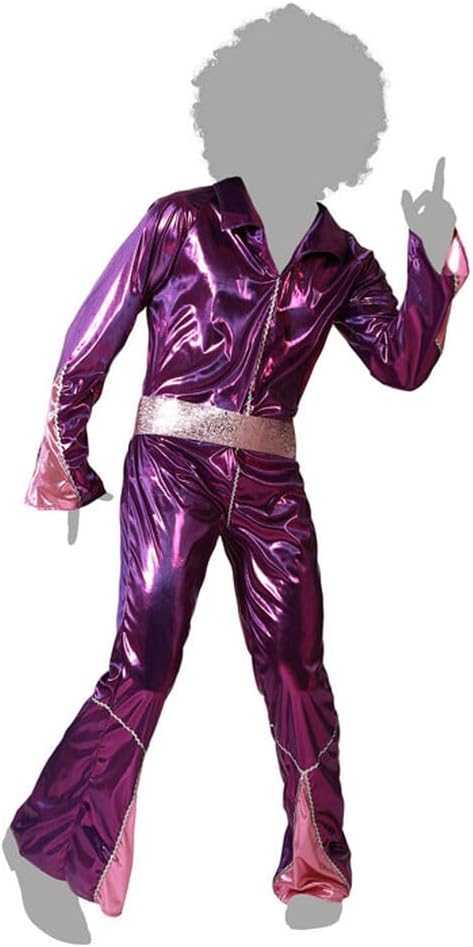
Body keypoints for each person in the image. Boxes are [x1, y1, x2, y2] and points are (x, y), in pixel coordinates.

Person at [10, 173, 469, 916]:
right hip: (171, 464)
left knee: (296, 666)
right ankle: (53, 850)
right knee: (145, 665)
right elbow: (94, 333)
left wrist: (427, 249)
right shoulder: (182, 221)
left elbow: (402, 363)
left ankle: (316, 862)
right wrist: (67, 457)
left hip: (271, 483)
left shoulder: (341, 258)